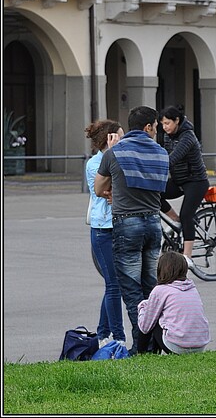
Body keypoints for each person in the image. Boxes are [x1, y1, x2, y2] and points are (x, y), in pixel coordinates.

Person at [95, 105, 170, 355]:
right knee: (151, 286)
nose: (157, 131)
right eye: (156, 127)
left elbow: (98, 188)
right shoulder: (161, 153)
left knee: (131, 289)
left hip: (127, 223)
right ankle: (155, 344)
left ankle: (141, 347)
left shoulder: (116, 152)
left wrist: (114, 192)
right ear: (148, 127)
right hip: (153, 223)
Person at [85, 119, 127, 349]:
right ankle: (118, 337)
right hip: (102, 229)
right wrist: (113, 154)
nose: (124, 140)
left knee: (115, 283)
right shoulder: (94, 163)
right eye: (120, 136)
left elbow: (122, 189)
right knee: (114, 284)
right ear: (109, 139)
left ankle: (103, 333)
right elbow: (103, 191)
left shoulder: (120, 157)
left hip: (120, 225)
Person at [158, 105, 210, 265]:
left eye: (167, 123)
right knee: (154, 193)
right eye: (162, 124)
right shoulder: (168, 136)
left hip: (196, 181)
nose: (165, 127)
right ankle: (176, 220)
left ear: (177, 121)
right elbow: (164, 155)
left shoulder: (188, 137)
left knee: (187, 214)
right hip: (179, 180)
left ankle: (187, 257)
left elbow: (172, 158)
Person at [137, 251, 210, 354]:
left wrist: (142, 307)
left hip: (177, 346)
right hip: (200, 345)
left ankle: (142, 355)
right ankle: (151, 354)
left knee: (149, 317)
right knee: (160, 317)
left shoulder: (160, 290)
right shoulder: (192, 288)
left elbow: (145, 327)